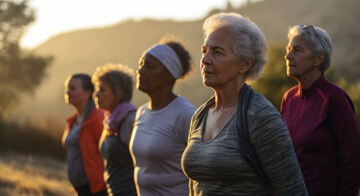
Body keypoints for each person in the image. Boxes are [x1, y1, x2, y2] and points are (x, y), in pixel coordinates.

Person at [181, 12, 308, 196]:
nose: (205, 60)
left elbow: (294, 192)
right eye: (204, 51)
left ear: (245, 64)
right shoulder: (201, 115)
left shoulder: (260, 117)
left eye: (217, 52)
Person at [281, 24, 360, 196]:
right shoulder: (288, 98)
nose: (288, 56)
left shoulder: (334, 97)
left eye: (297, 50)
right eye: (288, 49)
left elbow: (353, 159)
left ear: (318, 59)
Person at [129, 36, 196, 196]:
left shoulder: (185, 114)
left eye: (150, 66)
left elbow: (203, 169)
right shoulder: (142, 112)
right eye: (141, 64)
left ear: (169, 75)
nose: (141, 71)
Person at [92, 63, 137, 196]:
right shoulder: (110, 121)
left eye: (102, 90)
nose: (96, 94)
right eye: (96, 89)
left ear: (119, 93)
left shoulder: (129, 120)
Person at [62, 74, 107, 196]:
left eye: (73, 88)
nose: (68, 91)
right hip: (81, 189)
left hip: (97, 190)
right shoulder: (73, 120)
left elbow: (108, 153)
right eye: (67, 87)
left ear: (88, 93)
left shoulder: (98, 118)